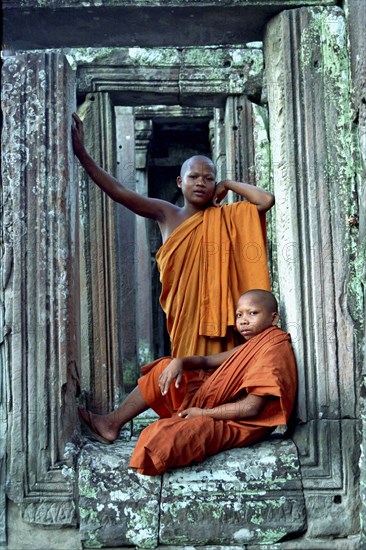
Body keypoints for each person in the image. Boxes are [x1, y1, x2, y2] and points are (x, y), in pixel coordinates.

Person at [72, 113, 275, 357]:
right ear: (180, 181)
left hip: (223, 315)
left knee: (221, 374)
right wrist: (82, 153)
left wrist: (229, 183)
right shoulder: (167, 213)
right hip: (186, 314)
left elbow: (266, 200)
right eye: (193, 177)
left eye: (209, 178)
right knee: (189, 370)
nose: (201, 182)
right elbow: (119, 192)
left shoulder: (228, 217)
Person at [78, 289, 298, 476]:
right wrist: (179, 362)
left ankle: (177, 424)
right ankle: (111, 423)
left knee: (162, 439)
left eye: (253, 313)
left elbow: (251, 408)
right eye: (239, 314)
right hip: (213, 407)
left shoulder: (274, 348)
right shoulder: (250, 345)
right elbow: (207, 360)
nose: (243, 320)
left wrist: (202, 414)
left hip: (236, 424)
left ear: (274, 318)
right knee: (165, 368)